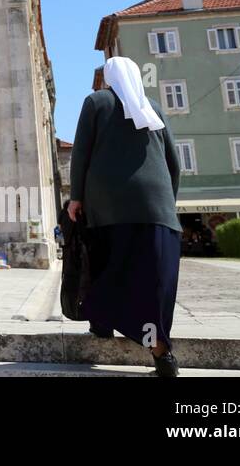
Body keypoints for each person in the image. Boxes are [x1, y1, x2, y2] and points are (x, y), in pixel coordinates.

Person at [68, 56, 182, 377]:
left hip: (109, 209)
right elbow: (174, 163)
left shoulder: (97, 102)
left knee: (108, 268)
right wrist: (166, 204)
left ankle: (104, 324)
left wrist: (76, 197)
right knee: (150, 280)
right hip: (158, 212)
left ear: (109, 79)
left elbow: (81, 153)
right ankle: (159, 349)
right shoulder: (154, 109)